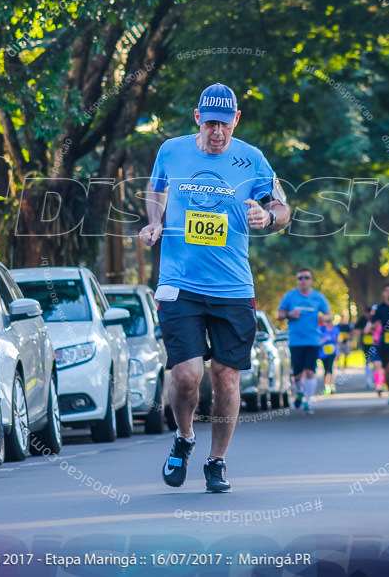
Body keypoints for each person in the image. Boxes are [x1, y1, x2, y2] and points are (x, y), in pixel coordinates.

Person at [139, 82, 289, 493]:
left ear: (236, 120)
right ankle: (184, 437)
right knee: (187, 375)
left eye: (224, 124)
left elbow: (282, 207)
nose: (217, 132)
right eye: (210, 124)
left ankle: (217, 461)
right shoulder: (171, 150)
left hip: (233, 287)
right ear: (197, 119)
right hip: (179, 282)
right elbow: (156, 189)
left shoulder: (252, 159)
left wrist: (268, 217)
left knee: (225, 378)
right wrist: (154, 221)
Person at [277, 267, 331, 412]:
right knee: (296, 375)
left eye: (306, 277)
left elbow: (329, 315)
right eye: (300, 278)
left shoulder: (318, 297)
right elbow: (279, 314)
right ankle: (300, 392)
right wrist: (289, 314)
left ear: (311, 280)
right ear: (297, 281)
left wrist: (323, 318)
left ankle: (308, 401)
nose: (303, 281)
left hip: (313, 339)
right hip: (295, 340)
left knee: (310, 371)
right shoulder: (290, 296)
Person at [319, 318, 340, 395]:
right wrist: (323, 341)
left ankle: (331, 385)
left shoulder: (335, 329)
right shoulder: (321, 329)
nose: (328, 323)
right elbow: (318, 341)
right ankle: (326, 386)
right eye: (327, 321)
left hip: (332, 352)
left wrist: (338, 352)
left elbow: (338, 341)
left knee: (331, 368)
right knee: (325, 369)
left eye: (330, 321)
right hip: (323, 352)